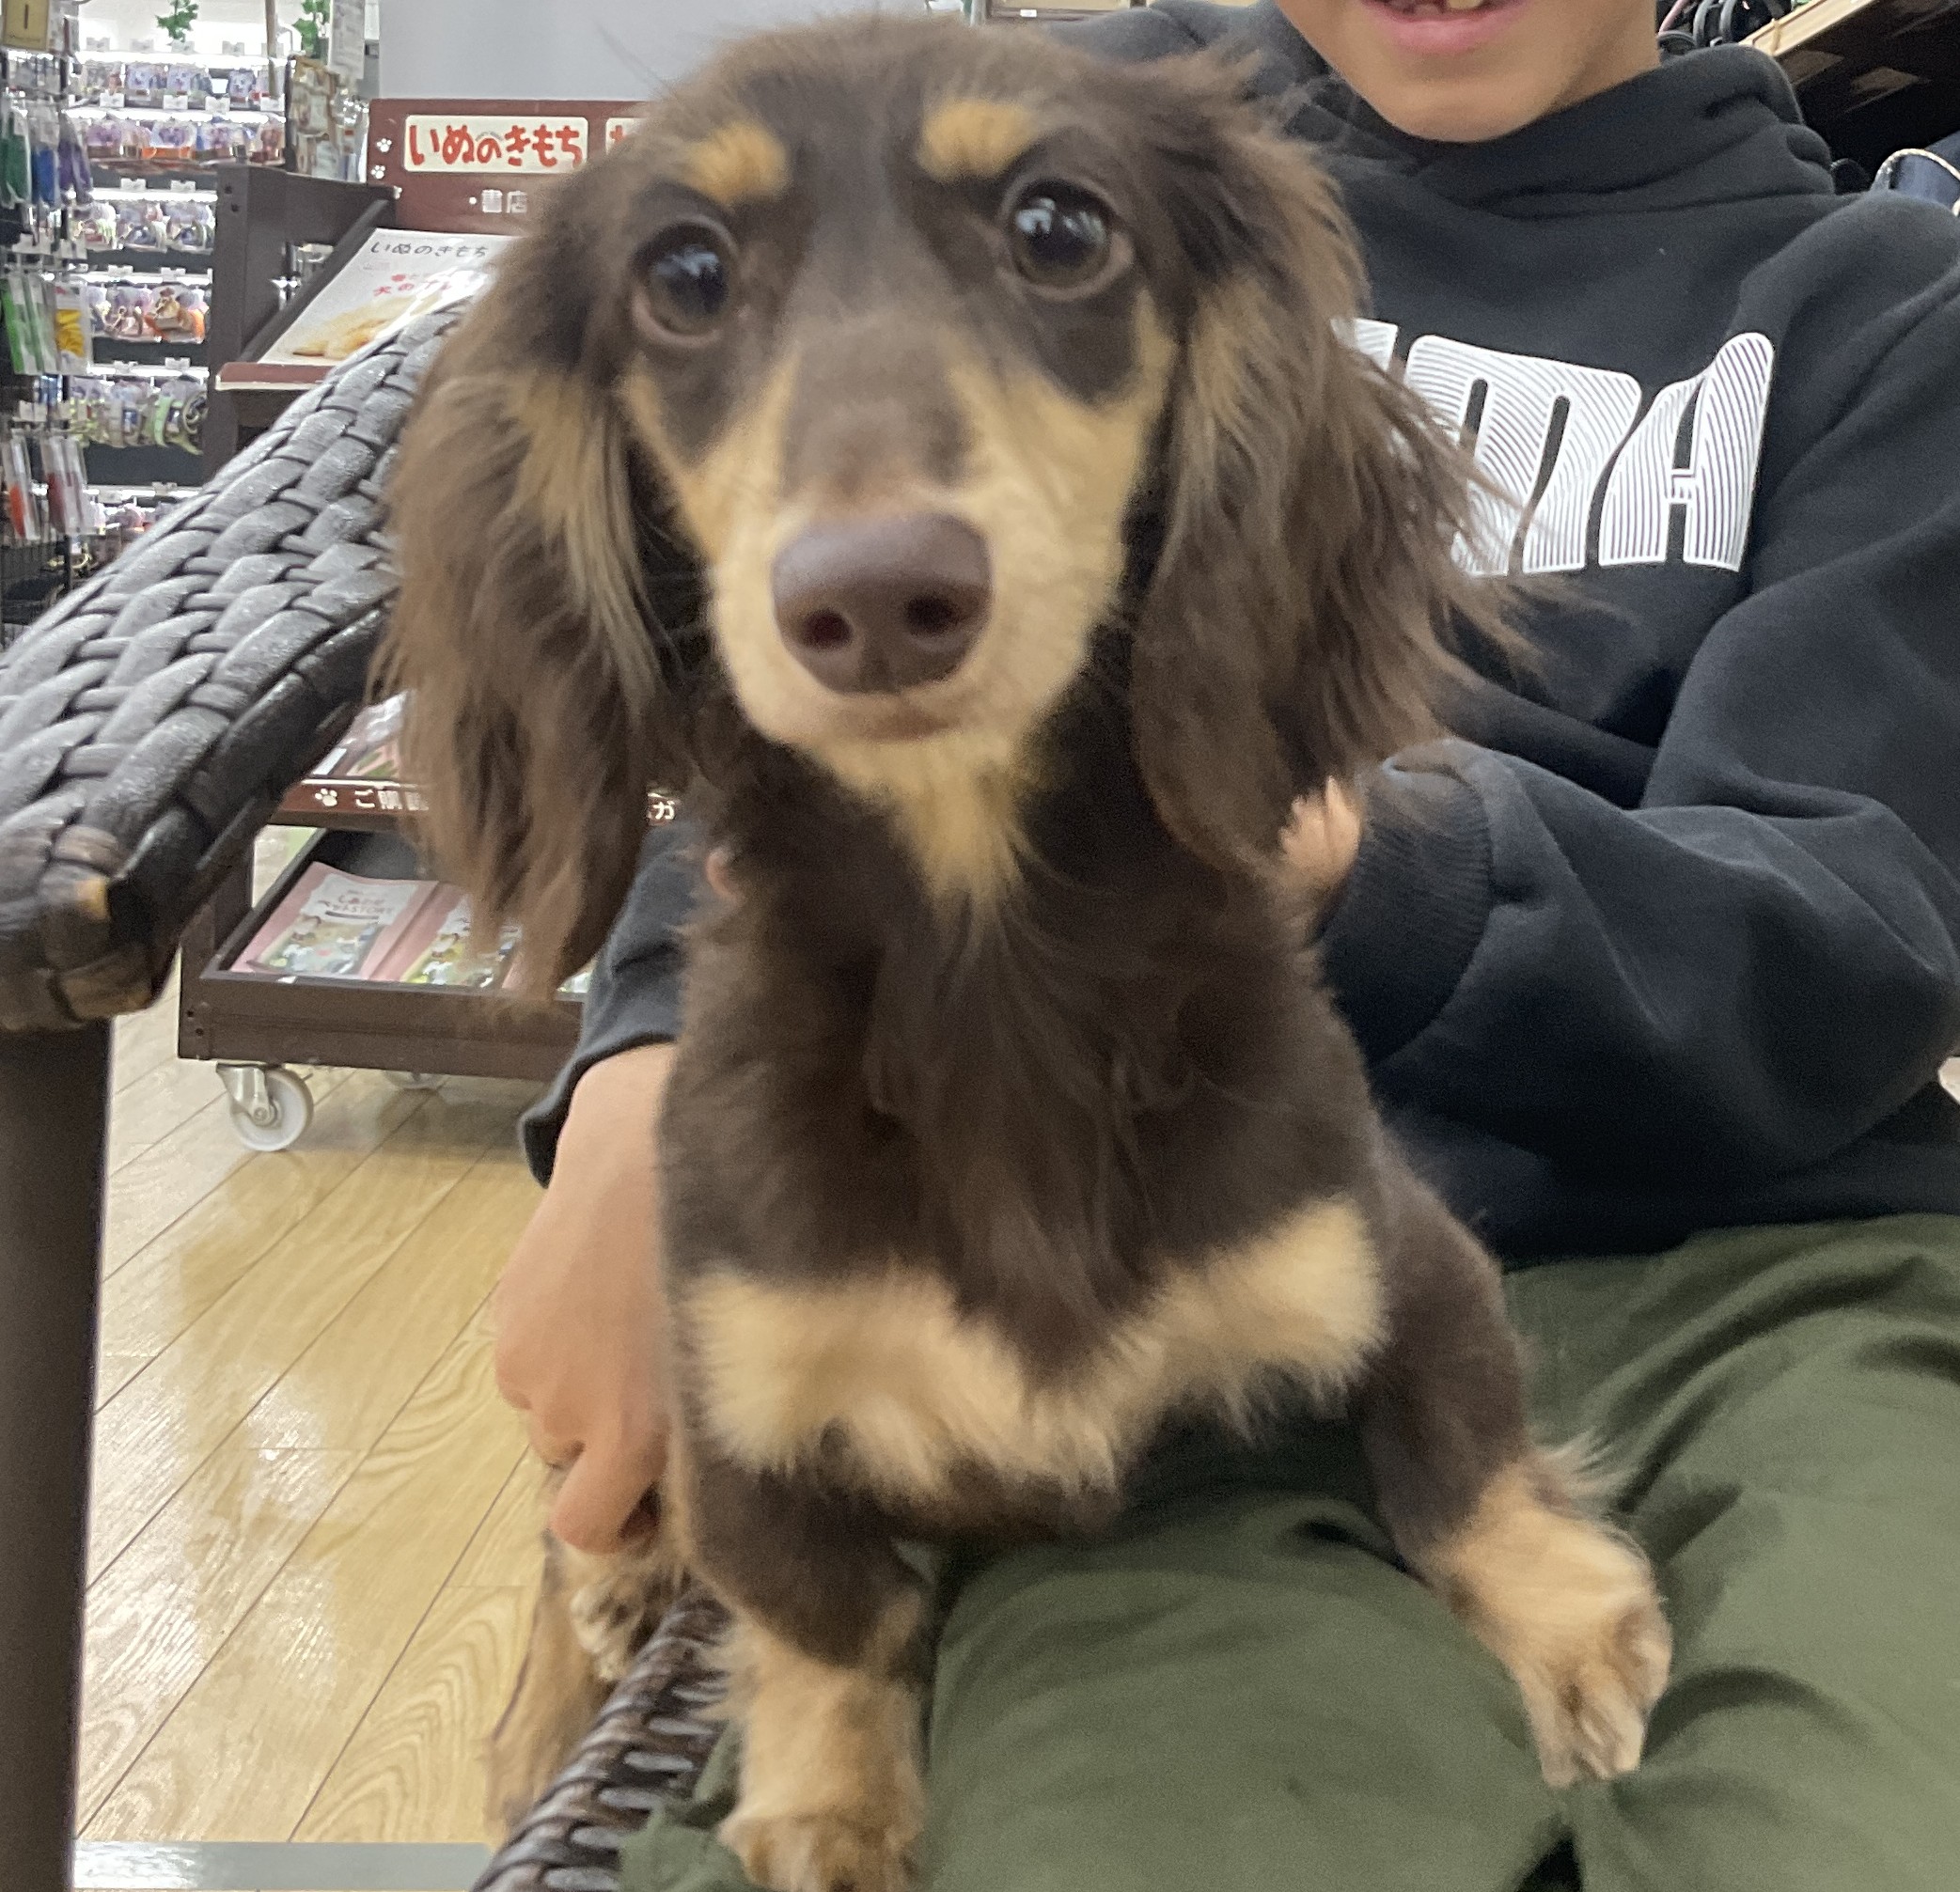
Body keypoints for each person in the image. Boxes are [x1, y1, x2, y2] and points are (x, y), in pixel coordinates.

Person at [495, 1, 1960, 1885]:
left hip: (1762, 1263)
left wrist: (1360, 844)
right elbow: (755, 747)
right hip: (1112, 1282)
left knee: (1870, 1822)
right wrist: (637, 1070)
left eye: (1045, 242)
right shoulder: (1064, 113)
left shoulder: (1883, 308)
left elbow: (1850, 927)